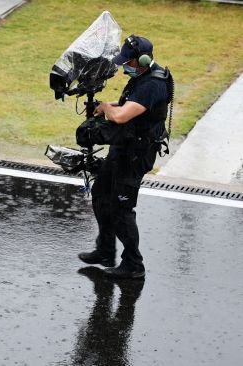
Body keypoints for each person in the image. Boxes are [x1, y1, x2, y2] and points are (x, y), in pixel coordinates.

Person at [78, 35, 173, 279]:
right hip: (123, 148)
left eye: (127, 62)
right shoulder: (141, 78)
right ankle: (106, 250)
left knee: (122, 208)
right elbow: (127, 106)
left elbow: (121, 116)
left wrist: (108, 109)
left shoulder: (153, 84)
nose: (124, 66)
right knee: (100, 194)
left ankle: (133, 264)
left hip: (135, 155)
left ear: (142, 60)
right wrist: (105, 105)